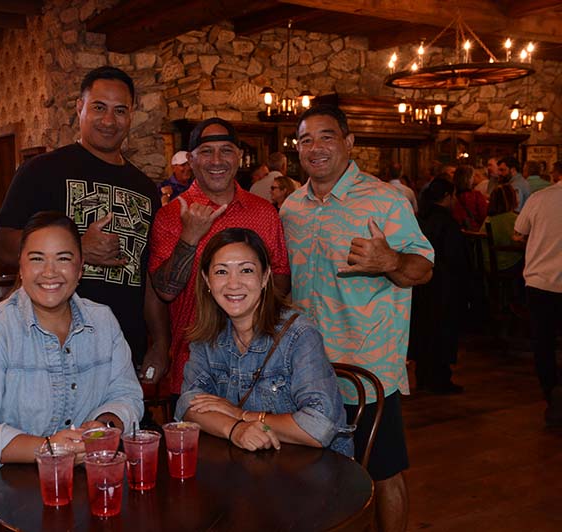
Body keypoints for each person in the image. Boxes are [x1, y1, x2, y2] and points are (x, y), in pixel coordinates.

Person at [0, 211, 143, 531]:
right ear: (21, 267)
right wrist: (48, 448)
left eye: (63, 258)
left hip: (62, 493)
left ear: (81, 267)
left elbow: (125, 394)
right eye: (37, 259)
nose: (50, 272)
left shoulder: (103, 322)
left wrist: (102, 429)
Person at [279, 104, 434, 532]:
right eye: (306, 139)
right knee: (316, 470)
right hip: (307, 367)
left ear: (349, 143)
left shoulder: (385, 201)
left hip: (367, 369)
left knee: (383, 471)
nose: (316, 147)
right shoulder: (291, 207)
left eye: (327, 136)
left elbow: (423, 269)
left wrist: (391, 260)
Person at [0, 66, 169, 385]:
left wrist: (159, 342)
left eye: (120, 110)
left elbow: (148, 274)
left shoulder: (145, 189)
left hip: (122, 352)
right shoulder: (40, 171)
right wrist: (77, 248)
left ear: (131, 115)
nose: (108, 120)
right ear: (80, 107)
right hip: (46, 351)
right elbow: (3, 246)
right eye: (99, 107)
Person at [176, 228, 353, 456]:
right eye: (221, 272)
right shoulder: (208, 336)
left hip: (316, 468)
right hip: (252, 465)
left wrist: (241, 415)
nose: (233, 284)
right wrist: (235, 429)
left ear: (265, 276)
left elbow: (318, 427)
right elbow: (188, 404)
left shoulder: (299, 335)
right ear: (206, 280)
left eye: (246, 270)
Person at [149, 117, 290, 398]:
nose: (217, 160)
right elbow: (164, 291)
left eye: (226, 150)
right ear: (191, 159)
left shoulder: (264, 213)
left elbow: (281, 279)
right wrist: (189, 237)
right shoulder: (170, 215)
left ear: (238, 156)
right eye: (206, 151)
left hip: (257, 367)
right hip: (192, 367)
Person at [410, 179, 468, 394]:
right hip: (444, 285)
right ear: (447, 196)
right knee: (442, 331)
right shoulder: (447, 223)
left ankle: (423, 375)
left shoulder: (421, 219)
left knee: (424, 330)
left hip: (421, 283)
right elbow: (456, 258)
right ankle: (440, 378)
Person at [513, 177, 562, 427]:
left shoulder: (539, 198)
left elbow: (518, 233)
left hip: (540, 282)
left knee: (543, 343)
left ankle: (551, 395)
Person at [482, 184, 522, 274]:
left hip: (487, 264)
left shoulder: (488, 219)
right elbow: (520, 242)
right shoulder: (513, 219)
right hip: (505, 264)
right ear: (512, 199)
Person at [451, 165, 487, 231]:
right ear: (469, 179)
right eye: (473, 176)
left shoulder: (451, 196)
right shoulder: (476, 195)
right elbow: (484, 216)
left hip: (456, 231)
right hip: (474, 232)